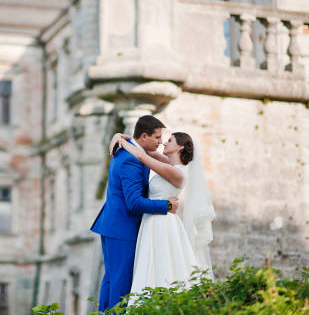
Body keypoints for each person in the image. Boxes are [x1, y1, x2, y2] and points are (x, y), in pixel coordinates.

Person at [109, 131, 215, 299]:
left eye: (170, 140)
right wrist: (119, 136)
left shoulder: (177, 173)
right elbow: (146, 149)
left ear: (179, 147)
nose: (164, 143)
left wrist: (121, 142)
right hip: (152, 220)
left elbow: (142, 156)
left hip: (162, 222)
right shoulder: (169, 165)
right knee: (150, 265)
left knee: (162, 264)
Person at [90, 115, 179, 311]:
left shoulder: (131, 150)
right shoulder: (131, 160)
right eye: (157, 137)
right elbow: (134, 203)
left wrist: (120, 136)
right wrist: (166, 206)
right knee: (121, 282)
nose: (160, 141)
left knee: (112, 279)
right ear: (144, 136)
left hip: (114, 225)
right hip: (122, 228)